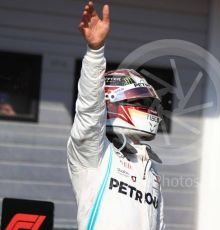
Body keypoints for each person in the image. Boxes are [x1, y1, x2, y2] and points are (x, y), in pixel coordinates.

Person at [67, 1, 165, 229]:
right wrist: (95, 52)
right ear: (110, 102)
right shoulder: (94, 154)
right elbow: (89, 112)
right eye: (139, 102)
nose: (148, 109)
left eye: (148, 103)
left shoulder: (151, 168)